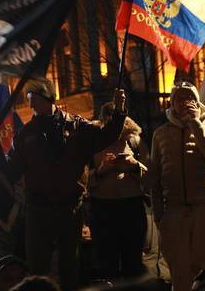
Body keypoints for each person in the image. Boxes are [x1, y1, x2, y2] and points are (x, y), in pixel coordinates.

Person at [7, 77, 126, 290]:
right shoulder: (25, 135)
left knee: (70, 263)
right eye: (28, 99)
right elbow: (13, 170)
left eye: (33, 98)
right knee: (37, 265)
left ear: (48, 97)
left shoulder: (77, 126)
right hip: (38, 207)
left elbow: (105, 136)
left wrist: (119, 111)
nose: (30, 104)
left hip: (70, 206)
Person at [148, 81, 205, 291]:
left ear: (197, 101)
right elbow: (155, 177)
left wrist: (195, 123)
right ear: (172, 103)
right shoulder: (160, 133)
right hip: (174, 212)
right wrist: (159, 215)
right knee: (179, 272)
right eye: (179, 99)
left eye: (189, 98)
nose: (184, 103)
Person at [88, 103, 148, 280]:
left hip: (131, 207)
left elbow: (151, 177)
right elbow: (83, 180)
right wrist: (100, 171)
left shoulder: (134, 141)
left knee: (133, 263)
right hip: (103, 209)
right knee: (107, 263)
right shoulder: (93, 142)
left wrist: (134, 166)